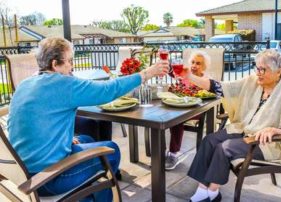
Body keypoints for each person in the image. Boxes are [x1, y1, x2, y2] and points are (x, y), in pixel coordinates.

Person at [8, 37, 169, 201]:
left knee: (85, 138)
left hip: (22, 173)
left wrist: (65, 140)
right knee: (111, 151)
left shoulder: (25, 84)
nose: (72, 66)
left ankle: (84, 191)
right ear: (55, 64)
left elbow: (34, 121)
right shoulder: (64, 84)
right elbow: (108, 90)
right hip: (47, 179)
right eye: (69, 61)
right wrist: (147, 73)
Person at [182, 49, 281, 202]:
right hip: (244, 128)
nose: (258, 72)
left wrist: (274, 130)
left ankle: (212, 193)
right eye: (256, 67)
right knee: (210, 140)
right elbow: (221, 87)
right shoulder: (253, 81)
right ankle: (202, 189)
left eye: (262, 69)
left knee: (225, 147)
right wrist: (189, 77)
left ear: (279, 71)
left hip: (267, 143)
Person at [166, 50, 211, 170]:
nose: (194, 66)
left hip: (196, 110)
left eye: (198, 63)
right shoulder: (185, 74)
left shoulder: (206, 81)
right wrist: (166, 62)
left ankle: (173, 154)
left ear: (204, 66)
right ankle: (161, 150)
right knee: (163, 115)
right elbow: (172, 71)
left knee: (177, 118)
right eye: (193, 62)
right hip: (180, 106)